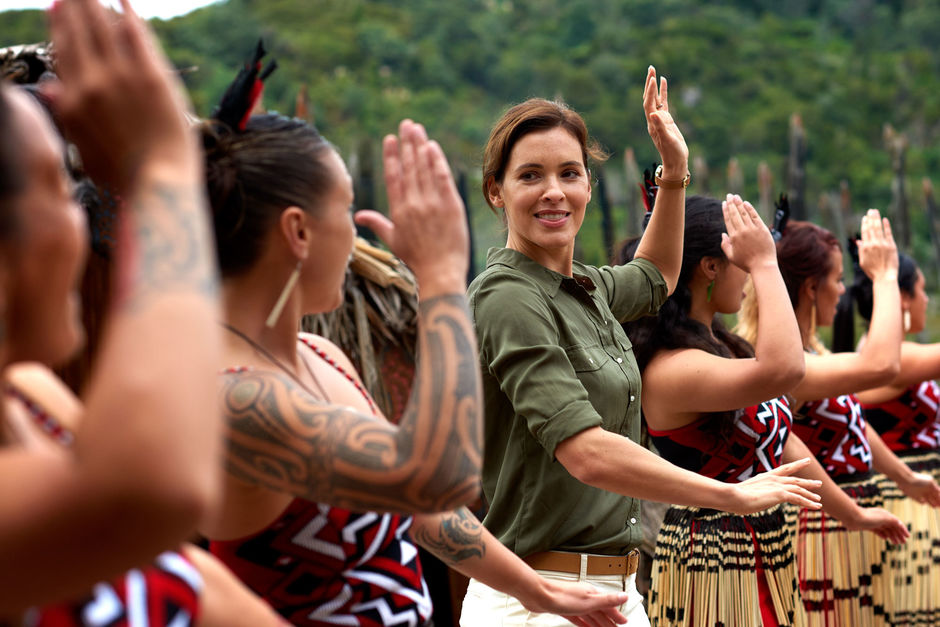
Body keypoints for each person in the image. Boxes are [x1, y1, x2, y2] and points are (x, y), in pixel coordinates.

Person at [198, 55, 632, 625]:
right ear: (299, 232)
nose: (356, 233)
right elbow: (436, 480)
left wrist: (539, 593)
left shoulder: (321, 356)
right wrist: (440, 279)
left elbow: (422, 513)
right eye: (344, 211)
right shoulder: (237, 399)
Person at [462, 69, 823, 626]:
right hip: (539, 599)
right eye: (529, 175)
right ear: (496, 191)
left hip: (614, 590)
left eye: (570, 173)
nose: (553, 191)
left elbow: (656, 272)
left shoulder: (587, 288)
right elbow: (584, 451)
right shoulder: (508, 298)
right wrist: (729, 496)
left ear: (588, 186)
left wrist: (674, 172)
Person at [0, 0, 222, 615]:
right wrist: (161, 170)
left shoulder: (32, 403)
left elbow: (198, 583)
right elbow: (149, 493)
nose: (84, 222)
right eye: (58, 188)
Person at [735, 211, 922, 626]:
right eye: (837, 279)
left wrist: (905, 479)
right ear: (810, 288)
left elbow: (854, 425)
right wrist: (886, 276)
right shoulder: (786, 368)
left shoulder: (812, 355)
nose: (842, 290)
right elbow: (883, 365)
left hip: (843, 530)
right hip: (816, 536)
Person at [835, 249, 940, 625]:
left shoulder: (893, 356)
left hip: (914, 494)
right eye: (923, 290)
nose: (927, 300)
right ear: (904, 298)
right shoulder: (895, 360)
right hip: (906, 500)